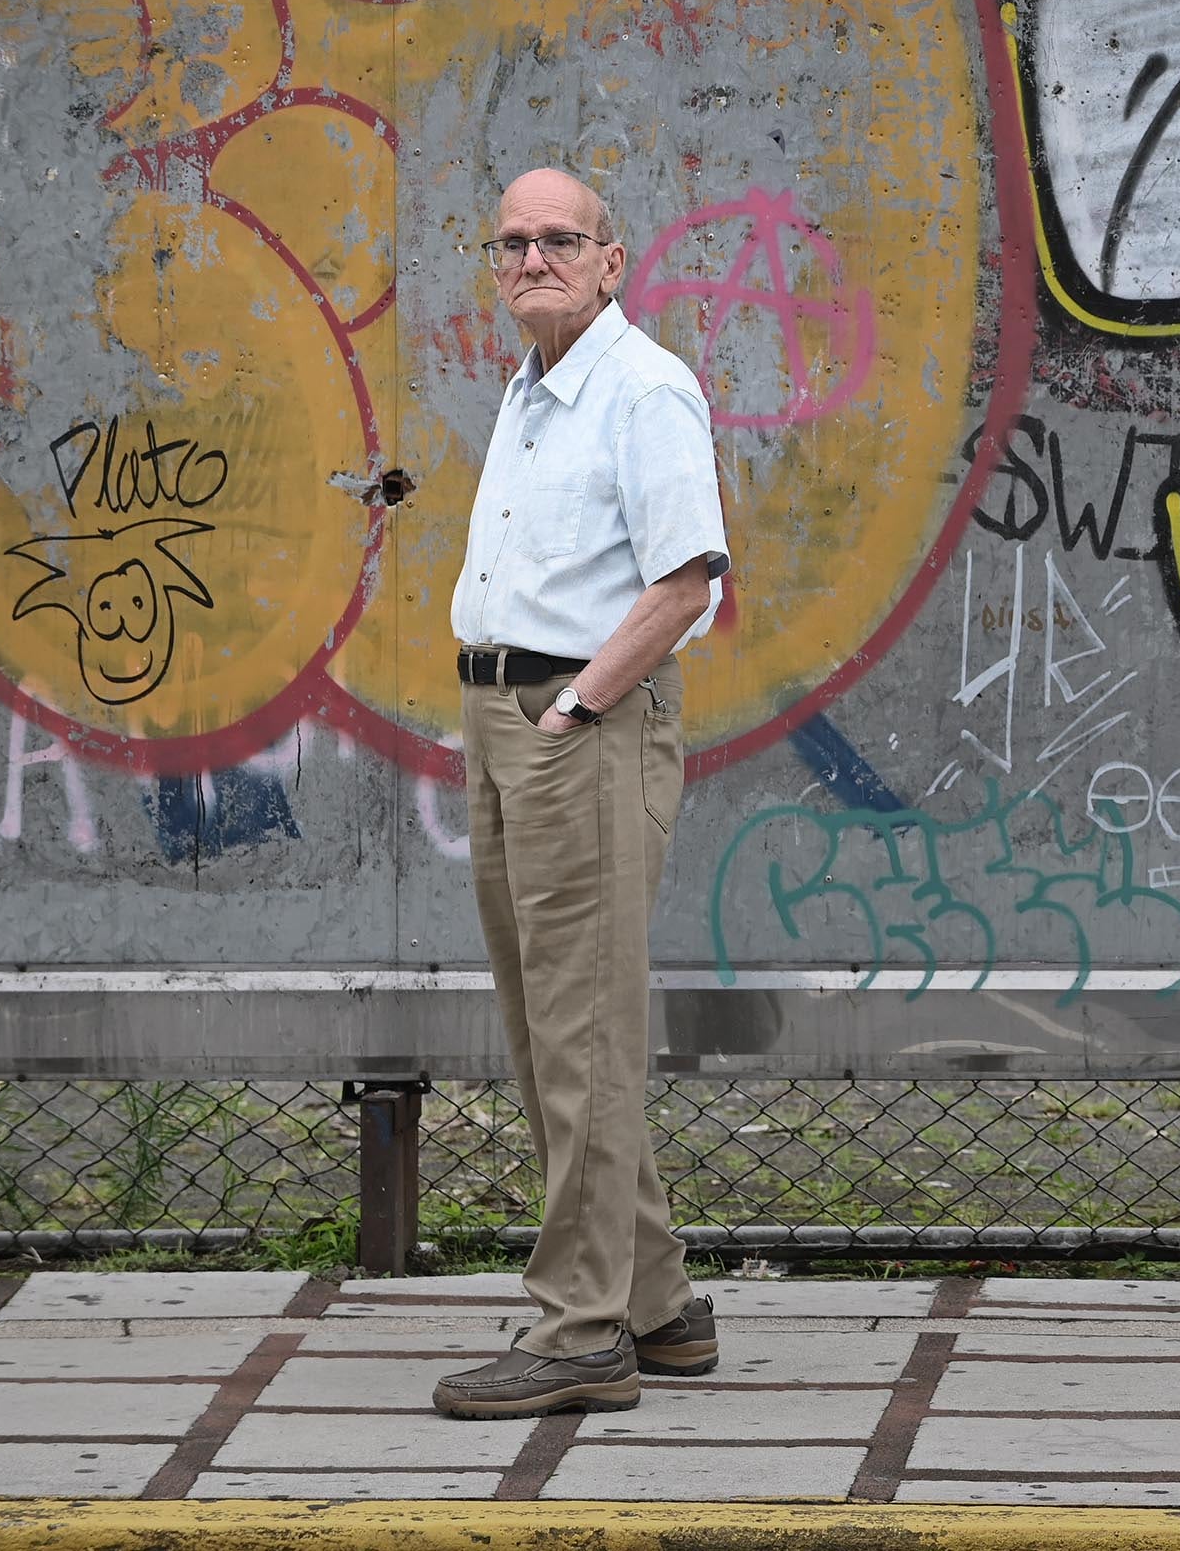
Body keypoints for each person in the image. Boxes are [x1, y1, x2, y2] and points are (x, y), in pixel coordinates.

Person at [433, 166, 730, 1418]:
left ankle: (579, 1329)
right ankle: (658, 1305)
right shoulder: (533, 387)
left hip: (580, 726)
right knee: (550, 1026)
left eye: (560, 238)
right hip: (508, 719)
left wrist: (577, 706)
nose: (532, 258)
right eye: (512, 242)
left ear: (613, 261)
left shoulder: (642, 388)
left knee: (581, 1037)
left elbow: (688, 579)